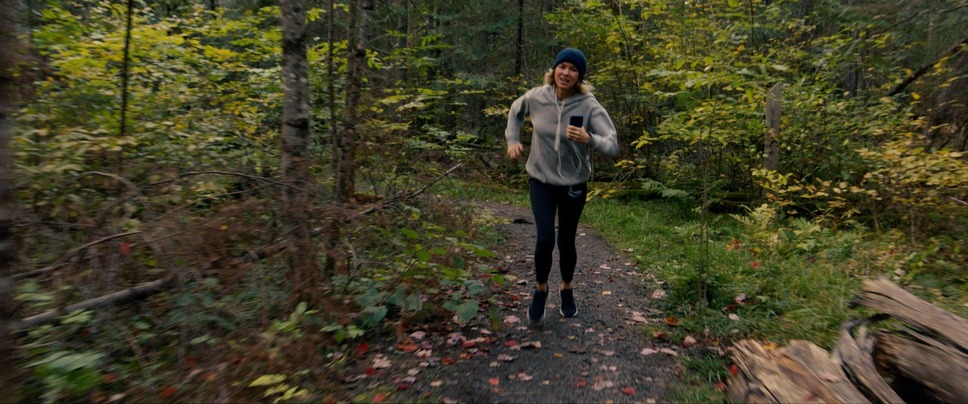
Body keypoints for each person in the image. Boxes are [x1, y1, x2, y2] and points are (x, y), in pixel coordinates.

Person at [505, 47, 619, 322]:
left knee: (566, 241)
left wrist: (589, 138)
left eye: (573, 69)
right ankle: (540, 289)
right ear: (554, 69)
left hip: (573, 184)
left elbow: (612, 144)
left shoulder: (588, 104)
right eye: (562, 67)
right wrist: (513, 140)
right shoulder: (537, 97)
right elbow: (515, 112)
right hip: (541, 180)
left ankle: (566, 288)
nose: (566, 73)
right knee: (545, 238)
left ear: (579, 76)